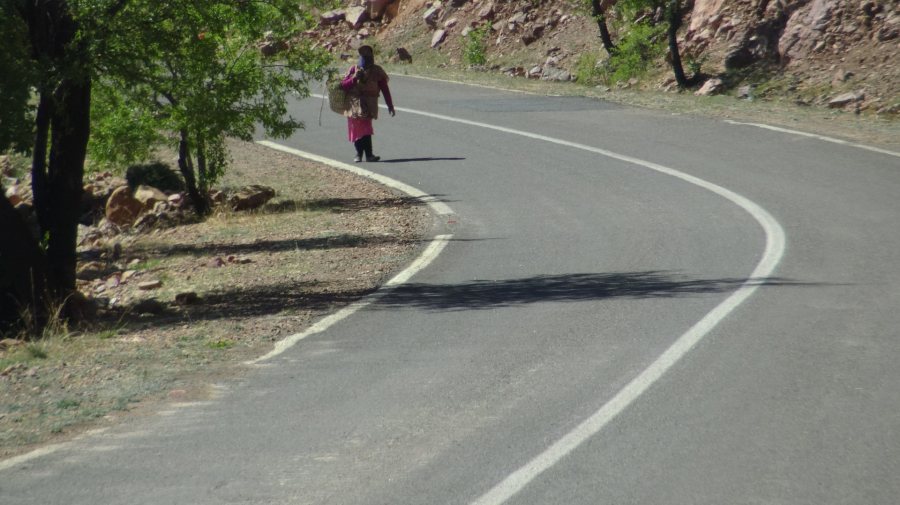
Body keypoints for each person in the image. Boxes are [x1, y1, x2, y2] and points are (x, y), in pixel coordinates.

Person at [341, 45, 395, 163]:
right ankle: (359, 154)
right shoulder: (354, 69)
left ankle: (369, 155)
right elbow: (343, 85)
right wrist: (354, 78)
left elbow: (385, 89)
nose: (366, 59)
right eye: (364, 56)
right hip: (354, 104)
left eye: (368, 56)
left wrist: (390, 105)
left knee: (366, 129)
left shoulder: (377, 71)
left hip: (369, 104)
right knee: (356, 128)